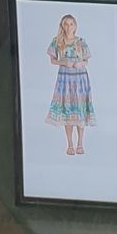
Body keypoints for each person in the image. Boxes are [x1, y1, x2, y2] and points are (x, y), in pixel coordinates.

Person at [46, 14, 96, 157]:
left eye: (71, 24)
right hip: (65, 78)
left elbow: (87, 61)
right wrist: (64, 63)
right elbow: (52, 60)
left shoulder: (81, 42)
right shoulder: (57, 41)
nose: (69, 27)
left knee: (79, 110)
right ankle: (70, 144)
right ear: (62, 26)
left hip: (80, 78)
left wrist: (81, 63)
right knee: (67, 110)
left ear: (75, 26)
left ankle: (80, 143)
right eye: (66, 24)